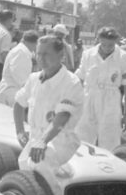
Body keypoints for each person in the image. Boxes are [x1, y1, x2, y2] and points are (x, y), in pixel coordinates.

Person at [14, 34, 84, 176]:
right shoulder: (34, 79)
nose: (41, 58)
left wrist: (43, 141)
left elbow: (62, 117)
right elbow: (18, 103)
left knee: (41, 166)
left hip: (62, 141)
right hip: (36, 140)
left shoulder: (71, 82)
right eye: (38, 54)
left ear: (60, 55)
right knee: (24, 167)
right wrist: (20, 132)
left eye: (46, 54)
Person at [75, 27, 126, 150]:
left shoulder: (124, 58)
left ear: (116, 42)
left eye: (111, 45)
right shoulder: (88, 54)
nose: (107, 48)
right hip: (88, 97)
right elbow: (79, 78)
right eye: (104, 44)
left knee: (110, 138)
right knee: (82, 135)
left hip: (110, 100)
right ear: (99, 40)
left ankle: (110, 165)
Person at [0, 30, 39, 106]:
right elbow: (21, 78)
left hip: (12, 92)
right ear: (35, 43)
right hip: (12, 93)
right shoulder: (21, 52)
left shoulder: (21, 51)